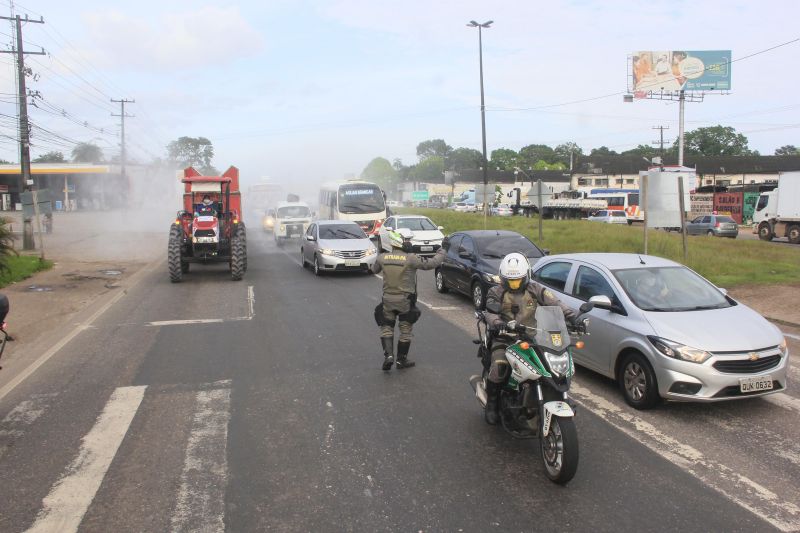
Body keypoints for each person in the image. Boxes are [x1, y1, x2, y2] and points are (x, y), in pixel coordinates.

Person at [483, 252, 578, 425]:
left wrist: (572, 316)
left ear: (526, 276)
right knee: (499, 366)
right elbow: (490, 312)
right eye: (510, 281)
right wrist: (497, 323)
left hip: (534, 337)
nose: (514, 284)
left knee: (551, 366)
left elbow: (555, 303)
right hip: (505, 338)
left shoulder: (536, 289)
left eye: (518, 280)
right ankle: (492, 404)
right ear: (503, 278)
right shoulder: (495, 291)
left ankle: (555, 397)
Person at [372, 228, 446, 371]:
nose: (409, 243)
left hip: (387, 300)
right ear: (400, 243)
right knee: (405, 329)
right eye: (406, 241)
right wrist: (443, 250)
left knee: (386, 328)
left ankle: (388, 356)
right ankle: (401, 360)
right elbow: (432, 263)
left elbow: (374, 270)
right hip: (405, 300)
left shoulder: (382, 257)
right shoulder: (410, 258)